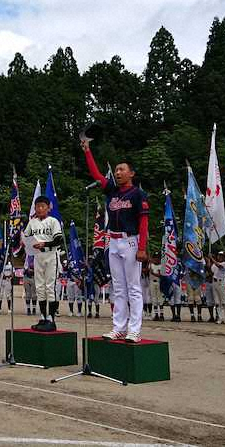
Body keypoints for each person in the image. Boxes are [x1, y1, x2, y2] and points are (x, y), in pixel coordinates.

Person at [81, 139, 149, 342]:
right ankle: (119, 327)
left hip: (130, 241)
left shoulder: (138, 193)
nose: (118, 173)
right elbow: (96, 175)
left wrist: (142, 248)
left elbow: (144, 220)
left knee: (133, 287)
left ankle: (134, 329)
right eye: (116, 170)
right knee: (118, 287)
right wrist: (87, 151)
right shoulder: (111, 191)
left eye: (122, 170)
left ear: (131, 173)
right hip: (113, 240)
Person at [22, 196, 64, 332]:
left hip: (51, 254)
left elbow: (59, 240)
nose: (40, 208)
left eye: (42, 206)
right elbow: (26, 236)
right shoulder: (32, 222)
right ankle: (42, 317)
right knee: (39, 287)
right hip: (38, 256)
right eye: (37, 206)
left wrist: (45, 243)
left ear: (48, 208)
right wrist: (23, 241)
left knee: (50, 287)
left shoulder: (53, 221)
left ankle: (51, 319)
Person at [211, 251, 225, 324]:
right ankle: (220, 318)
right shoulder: (214, 264)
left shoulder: (224, 264)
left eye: (221, 256)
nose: (220, 257)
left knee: (223, 302)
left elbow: (219, 266)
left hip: (221, 282)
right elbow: (212, 270)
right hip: (214, 282)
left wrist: (211, 258)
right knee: (217, 302)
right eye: (219, 255)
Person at [185, 258, 205, 322]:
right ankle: (192, 315)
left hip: (197, 281)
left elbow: (202, 270)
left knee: (198, 299)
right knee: (190, 298)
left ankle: (199, 315)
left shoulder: (200, 260)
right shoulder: (187, 260)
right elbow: (187, 271)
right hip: (189, 281)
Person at [148, 253, 164, 322]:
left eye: (157, 258)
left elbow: (161, 275)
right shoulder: (151, 265)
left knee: (160, 299)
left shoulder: (161, 266)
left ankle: (161, 315)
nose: (156, 259)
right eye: (155, 258)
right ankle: (156, 314)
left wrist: (153, 273)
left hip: (159, 282)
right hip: (152, 282)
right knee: (154, 299)